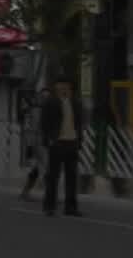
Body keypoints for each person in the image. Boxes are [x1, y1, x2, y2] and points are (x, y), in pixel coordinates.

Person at [40, 77, 84, 217]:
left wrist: (79, 140)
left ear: (70, 88)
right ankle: (49, 206)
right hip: (57, 143)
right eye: (60, 86)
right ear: (56, 87)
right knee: (53, 176)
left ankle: (70, 207)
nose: (63, 88)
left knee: (72, 177)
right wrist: (48, 140)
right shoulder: (50, 102)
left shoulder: (76, 103)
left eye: (66, 86)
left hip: (72, 142)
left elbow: (80, 123)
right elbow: (44, 123)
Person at [20, 88, 52, 201]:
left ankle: (25, 192)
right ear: (39, 97)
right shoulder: (35, 109)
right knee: (46, 166)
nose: (45, 99)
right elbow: (32, 129)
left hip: (44, 141)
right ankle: (49, 195)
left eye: (47, 97)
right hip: (39, 142)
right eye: (43, 97)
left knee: (38, 168)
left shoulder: (46, 109)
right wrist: (30, 147)